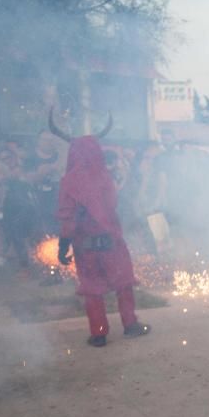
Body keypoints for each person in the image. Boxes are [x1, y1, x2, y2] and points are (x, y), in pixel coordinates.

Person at [52, 116, 151, 348]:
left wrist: (63, 245)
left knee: (92, 288)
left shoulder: (68, 181)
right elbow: (113, 206)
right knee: (123, 283)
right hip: (110, 241)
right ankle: (130, 325)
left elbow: (67, 215)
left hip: (84, 245)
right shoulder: (104, 177)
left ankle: (98, 334)